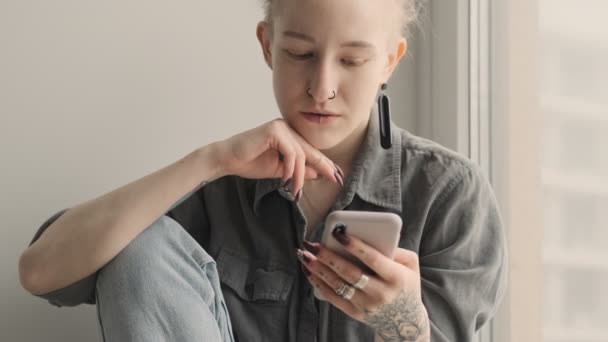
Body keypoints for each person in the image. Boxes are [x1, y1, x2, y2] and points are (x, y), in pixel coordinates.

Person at [18, 0, 506, 341]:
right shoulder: (221, 189)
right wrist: (210, 161)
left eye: (353, 60)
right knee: (138, 249)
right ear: (267, 45)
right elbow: (40, 271)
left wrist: (405, 326)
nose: (322, 87)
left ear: (389, 61)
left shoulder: (449, 195)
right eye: (300, 54)